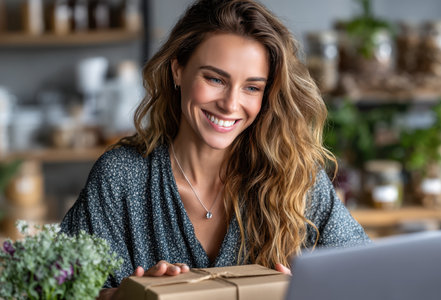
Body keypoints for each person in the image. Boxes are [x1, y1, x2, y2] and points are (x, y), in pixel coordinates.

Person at [60, 0, 370, 298]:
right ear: (177, 69)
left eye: (252, 87)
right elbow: (61, 289)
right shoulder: (121, 177)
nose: (230, 104)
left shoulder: (294, 176)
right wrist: (128, 295)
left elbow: (367, 277)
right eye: (214, 78)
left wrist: (310, 293)